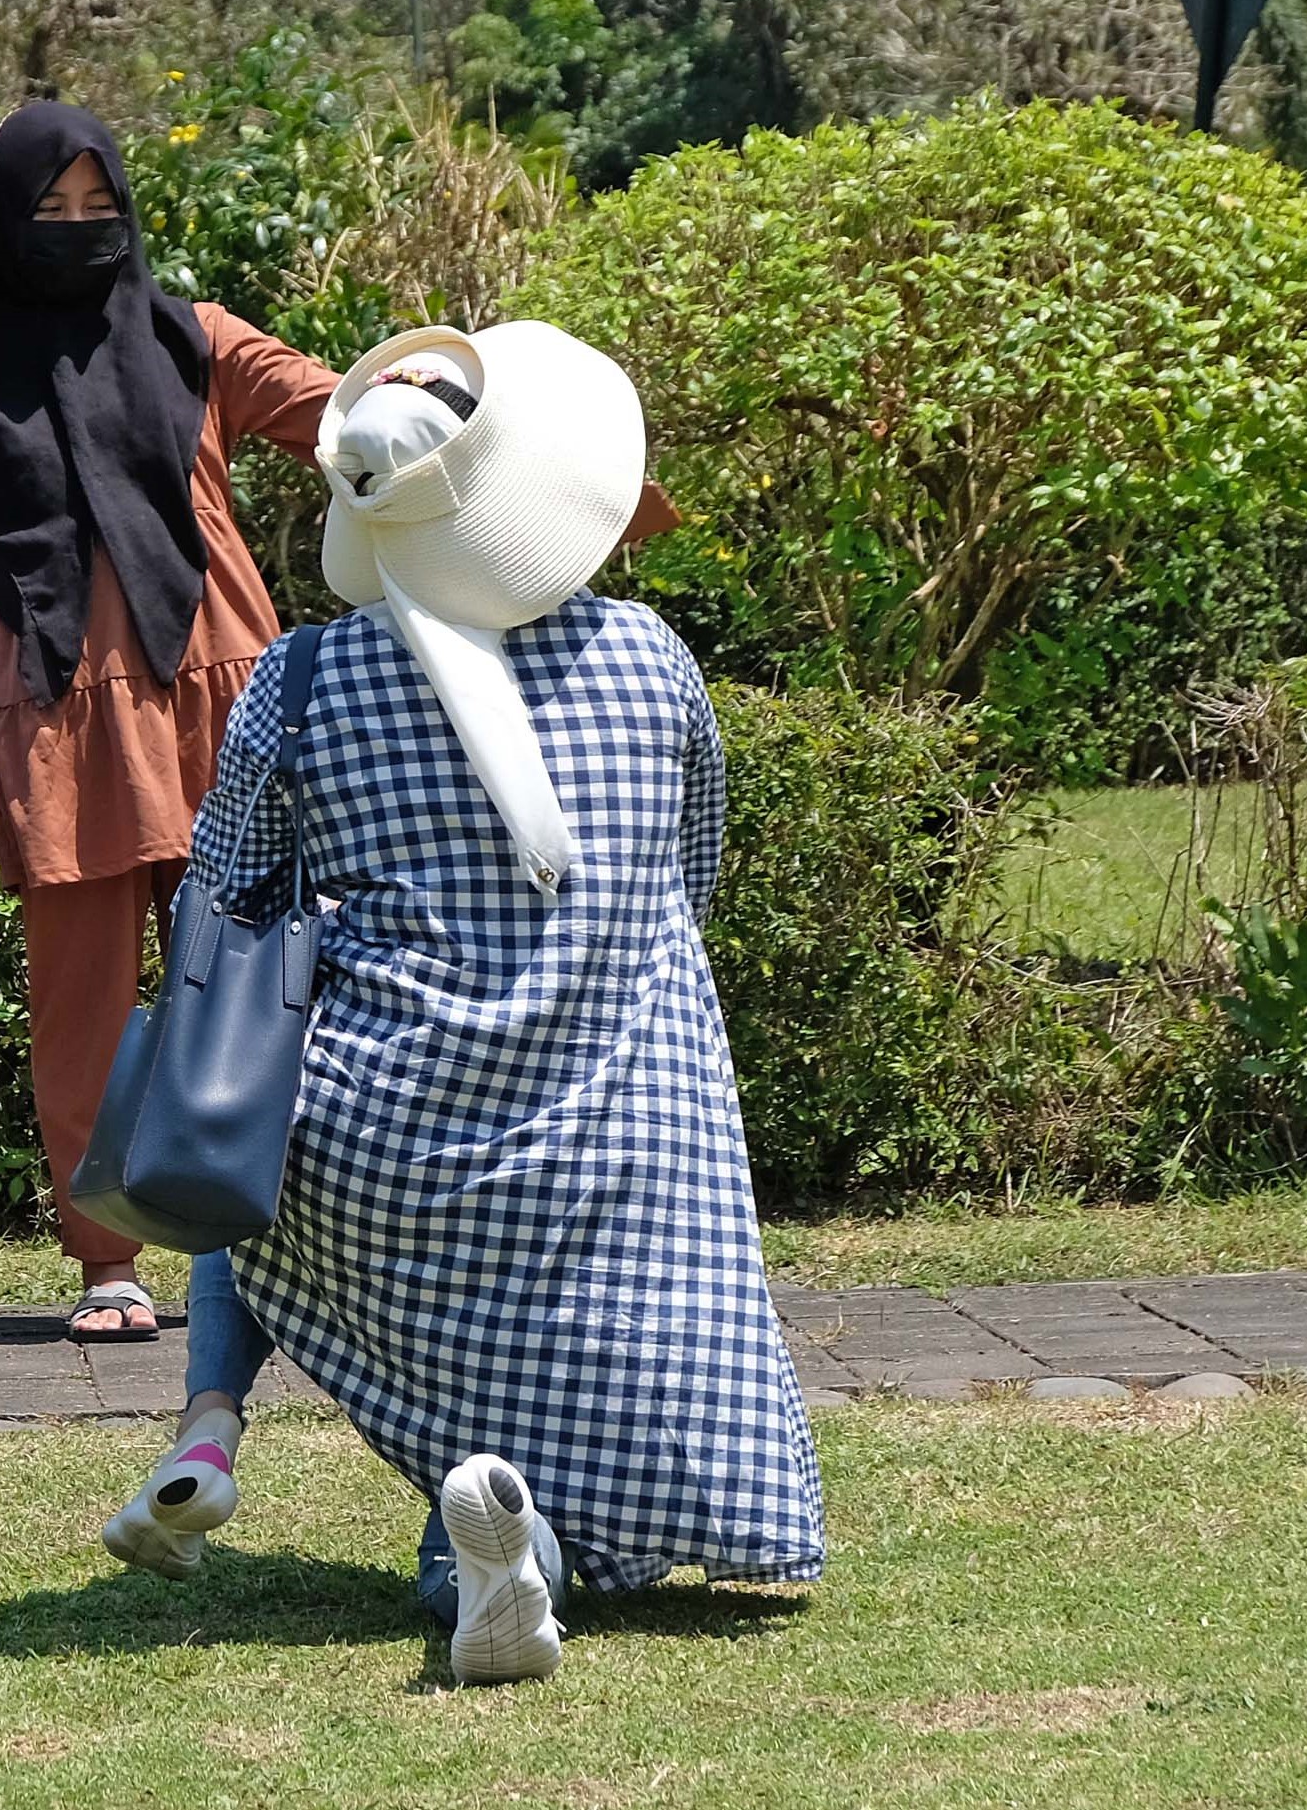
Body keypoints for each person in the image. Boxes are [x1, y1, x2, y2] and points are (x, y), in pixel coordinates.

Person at [98, 321, 827, 1687]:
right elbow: (691, 874)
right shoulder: (651, 661)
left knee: (256, 1152)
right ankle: (499, 1543)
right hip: (615, 1140)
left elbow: (227, 896)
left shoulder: (303, 680)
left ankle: (224, 1430)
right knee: (581, 1374)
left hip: (382, 1150)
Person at [0, 101, 334, 1342]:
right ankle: (108, 1264)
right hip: (54, 714)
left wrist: (421, 392)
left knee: (258, 984)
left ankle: (288, 1244)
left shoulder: (193, 340)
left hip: (223, 702)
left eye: (103, 209)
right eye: (49, 212)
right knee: (79, 999)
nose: (81, 234)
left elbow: (328, 410)